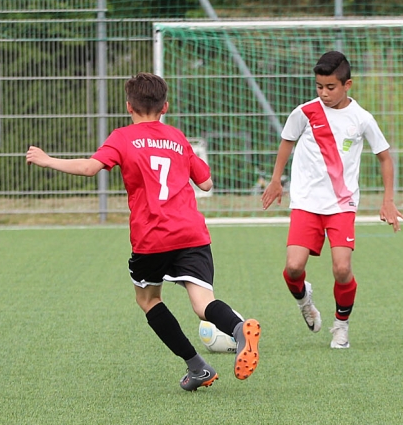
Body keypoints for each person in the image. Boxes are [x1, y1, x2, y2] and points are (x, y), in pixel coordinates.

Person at [25, 72, 261, 391]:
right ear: (165, 107)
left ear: (128, 106)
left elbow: (90, 168)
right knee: (202, 302)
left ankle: (197, 367)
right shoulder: (177, 137)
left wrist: (47, 159)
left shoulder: (123, 137)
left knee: (148, 299)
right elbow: (206, 183)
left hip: (152, 237)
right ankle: (237, 328)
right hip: (191, 232)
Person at [261, 51, 403, 349]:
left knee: (341, 269)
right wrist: (276, 180)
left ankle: (341, 326)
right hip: (306, 202)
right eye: (319, 86)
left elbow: (385, 158)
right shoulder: (305, 112)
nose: (323, 93)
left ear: (347, 85)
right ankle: (305, 301)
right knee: (293, 267)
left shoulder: (362, 118)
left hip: (342, 204)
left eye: (330, 87)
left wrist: (388, 200)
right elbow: (287, 142)